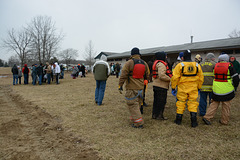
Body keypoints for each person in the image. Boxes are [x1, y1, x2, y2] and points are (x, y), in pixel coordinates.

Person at [203, 54, 239, 125]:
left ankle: (207, 117)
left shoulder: (215, 66)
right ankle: (224, 121)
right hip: (227, 91)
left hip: (216, 90)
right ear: (227, 59)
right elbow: (236, 79)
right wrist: (235, 86)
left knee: (214, 104)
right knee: (226, 106)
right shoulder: (230, 67)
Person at [171, 50, 204, 128]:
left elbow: (175, 78)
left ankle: (178, 120)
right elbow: (201, 78)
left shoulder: (180, 65)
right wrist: (199, 87)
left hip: (182, 88)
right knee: (193, 103)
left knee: (181, 102)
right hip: (193, 88)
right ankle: (194, 121)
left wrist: (173, 87)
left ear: (183, 57)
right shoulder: (197, 65)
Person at [118, 47, 150, 128]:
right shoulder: (144, 63)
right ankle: (134, 120)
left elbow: (123, 74)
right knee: (137, 104)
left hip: (132, 88)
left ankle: (139, 123)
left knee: (132, 105)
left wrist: (120, 85)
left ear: (132, 54)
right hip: (141, 88)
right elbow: (147, 74)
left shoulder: (129, 63)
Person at [152, 52, 172, 120]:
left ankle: (154, 115)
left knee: (156, 101)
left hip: (156, 85)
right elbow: (161, 75)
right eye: (165, 56)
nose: (166, 57)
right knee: (161, 102)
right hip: (161, 86)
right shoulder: (162, 65)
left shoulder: (157, 63)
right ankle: (159, 116)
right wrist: (170, 79)